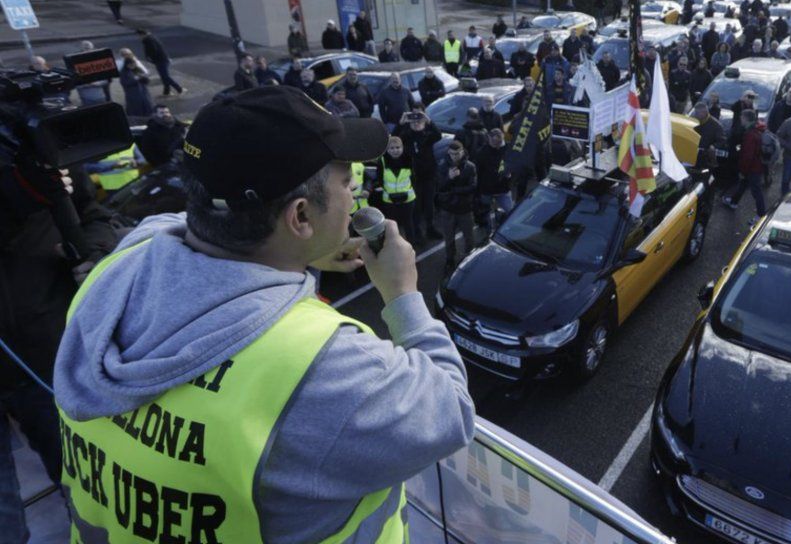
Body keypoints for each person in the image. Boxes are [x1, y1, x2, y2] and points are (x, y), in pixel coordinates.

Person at [53, 86, 474, 541]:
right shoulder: (324, 366)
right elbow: (450, 411)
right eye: (348, 183)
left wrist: (306, 252)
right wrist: (402, 293)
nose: (356, 195)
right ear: (299, 217)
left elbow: (180, 230)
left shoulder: (117, 268)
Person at [1, 163, 118, 543]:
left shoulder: (30, 146)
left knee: (92, 496)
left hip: (50, 358)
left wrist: (93, 252)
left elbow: (93, 213)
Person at [722, 111, 771, 225]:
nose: (741, 120)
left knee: (756, 191)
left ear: (746, 119)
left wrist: (743, 171)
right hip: (758, 165)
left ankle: (761, 215)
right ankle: (734, 202)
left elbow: (747, 156)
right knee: (743, 184)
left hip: (753, 168)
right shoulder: (757, 129)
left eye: (742, 118)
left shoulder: (750, 134)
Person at [400, 111, 443, 240]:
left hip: (429, 176)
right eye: (413, 122)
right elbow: (395, 138)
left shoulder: (427, 135)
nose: (417, 124)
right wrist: (401, 123)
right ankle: (417, 232)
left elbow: (438, 135)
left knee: (429, 205)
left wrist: (428, 120)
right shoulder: (406, 136)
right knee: (417, 207)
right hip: (414, 177)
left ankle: (430, 228)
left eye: (419, 121)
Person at [436, 140, 478, 271]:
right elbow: (439, 187)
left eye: (457, 153)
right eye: (452, 153)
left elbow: (473, 186)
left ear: (462, 151)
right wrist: (449, 178)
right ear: (448, 152)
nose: (455, 156)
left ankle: (469, 259)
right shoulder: (442, 166)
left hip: (465, 208)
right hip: (448, 208)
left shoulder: (470, 167)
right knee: (449, 238)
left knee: (469, 237)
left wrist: (454, 190)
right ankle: (450, 260)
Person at [377, 135, 420, 242]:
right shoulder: (382, 161)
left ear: (402, 147)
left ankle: (411, 244)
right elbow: (380, 178)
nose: (395, 150)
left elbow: (414, 177)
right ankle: (394, 244)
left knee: (408, 223)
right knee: (392, 224)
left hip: (408, 198)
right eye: (392, 148)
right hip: (389, 199)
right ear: (387, 149)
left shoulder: (409, 159)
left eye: (397, 147)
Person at [474, 129, 513, 236]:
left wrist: (511, 174)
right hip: (487, 190)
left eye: (499, 141)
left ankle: (505, 231)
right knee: (486, 213)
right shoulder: (481, 153)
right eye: (495, 141)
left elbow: (514, 163)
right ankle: (488, 232)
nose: (497, 144)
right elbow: (477, 173)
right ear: (489, 138)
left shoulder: (507, 149)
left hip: (503, 188)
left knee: (510, 212)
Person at [137, 28, 185, 96]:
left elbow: (153, 50)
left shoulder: (148, 40)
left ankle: (179, 89)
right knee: (164, 76)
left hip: (160, 60)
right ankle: (167, 92)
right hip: (162, 60)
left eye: (139, 36)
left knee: (165, 77)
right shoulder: (150, 38)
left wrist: (150, 58)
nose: (139, 37)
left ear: (142, 35)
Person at [119, 49, 155, 117]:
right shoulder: (124, 73)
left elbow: (146, 80)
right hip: (133, 94)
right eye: (131, 64)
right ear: (127, 65)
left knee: (148, 108)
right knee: (136, 111)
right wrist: (136, 79)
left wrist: (144, 78)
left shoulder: (138, 69)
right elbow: (125, 83)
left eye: (133, 64)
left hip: (143, 92)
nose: (132, 66)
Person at [691, 101, 726, 172]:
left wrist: (714, 146)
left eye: (697, 113)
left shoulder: (716, 126)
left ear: (704, 113)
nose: (695, 115)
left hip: (705, 158)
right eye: (695, 113)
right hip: (691, 154)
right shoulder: (692, 121)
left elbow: (722, 140)